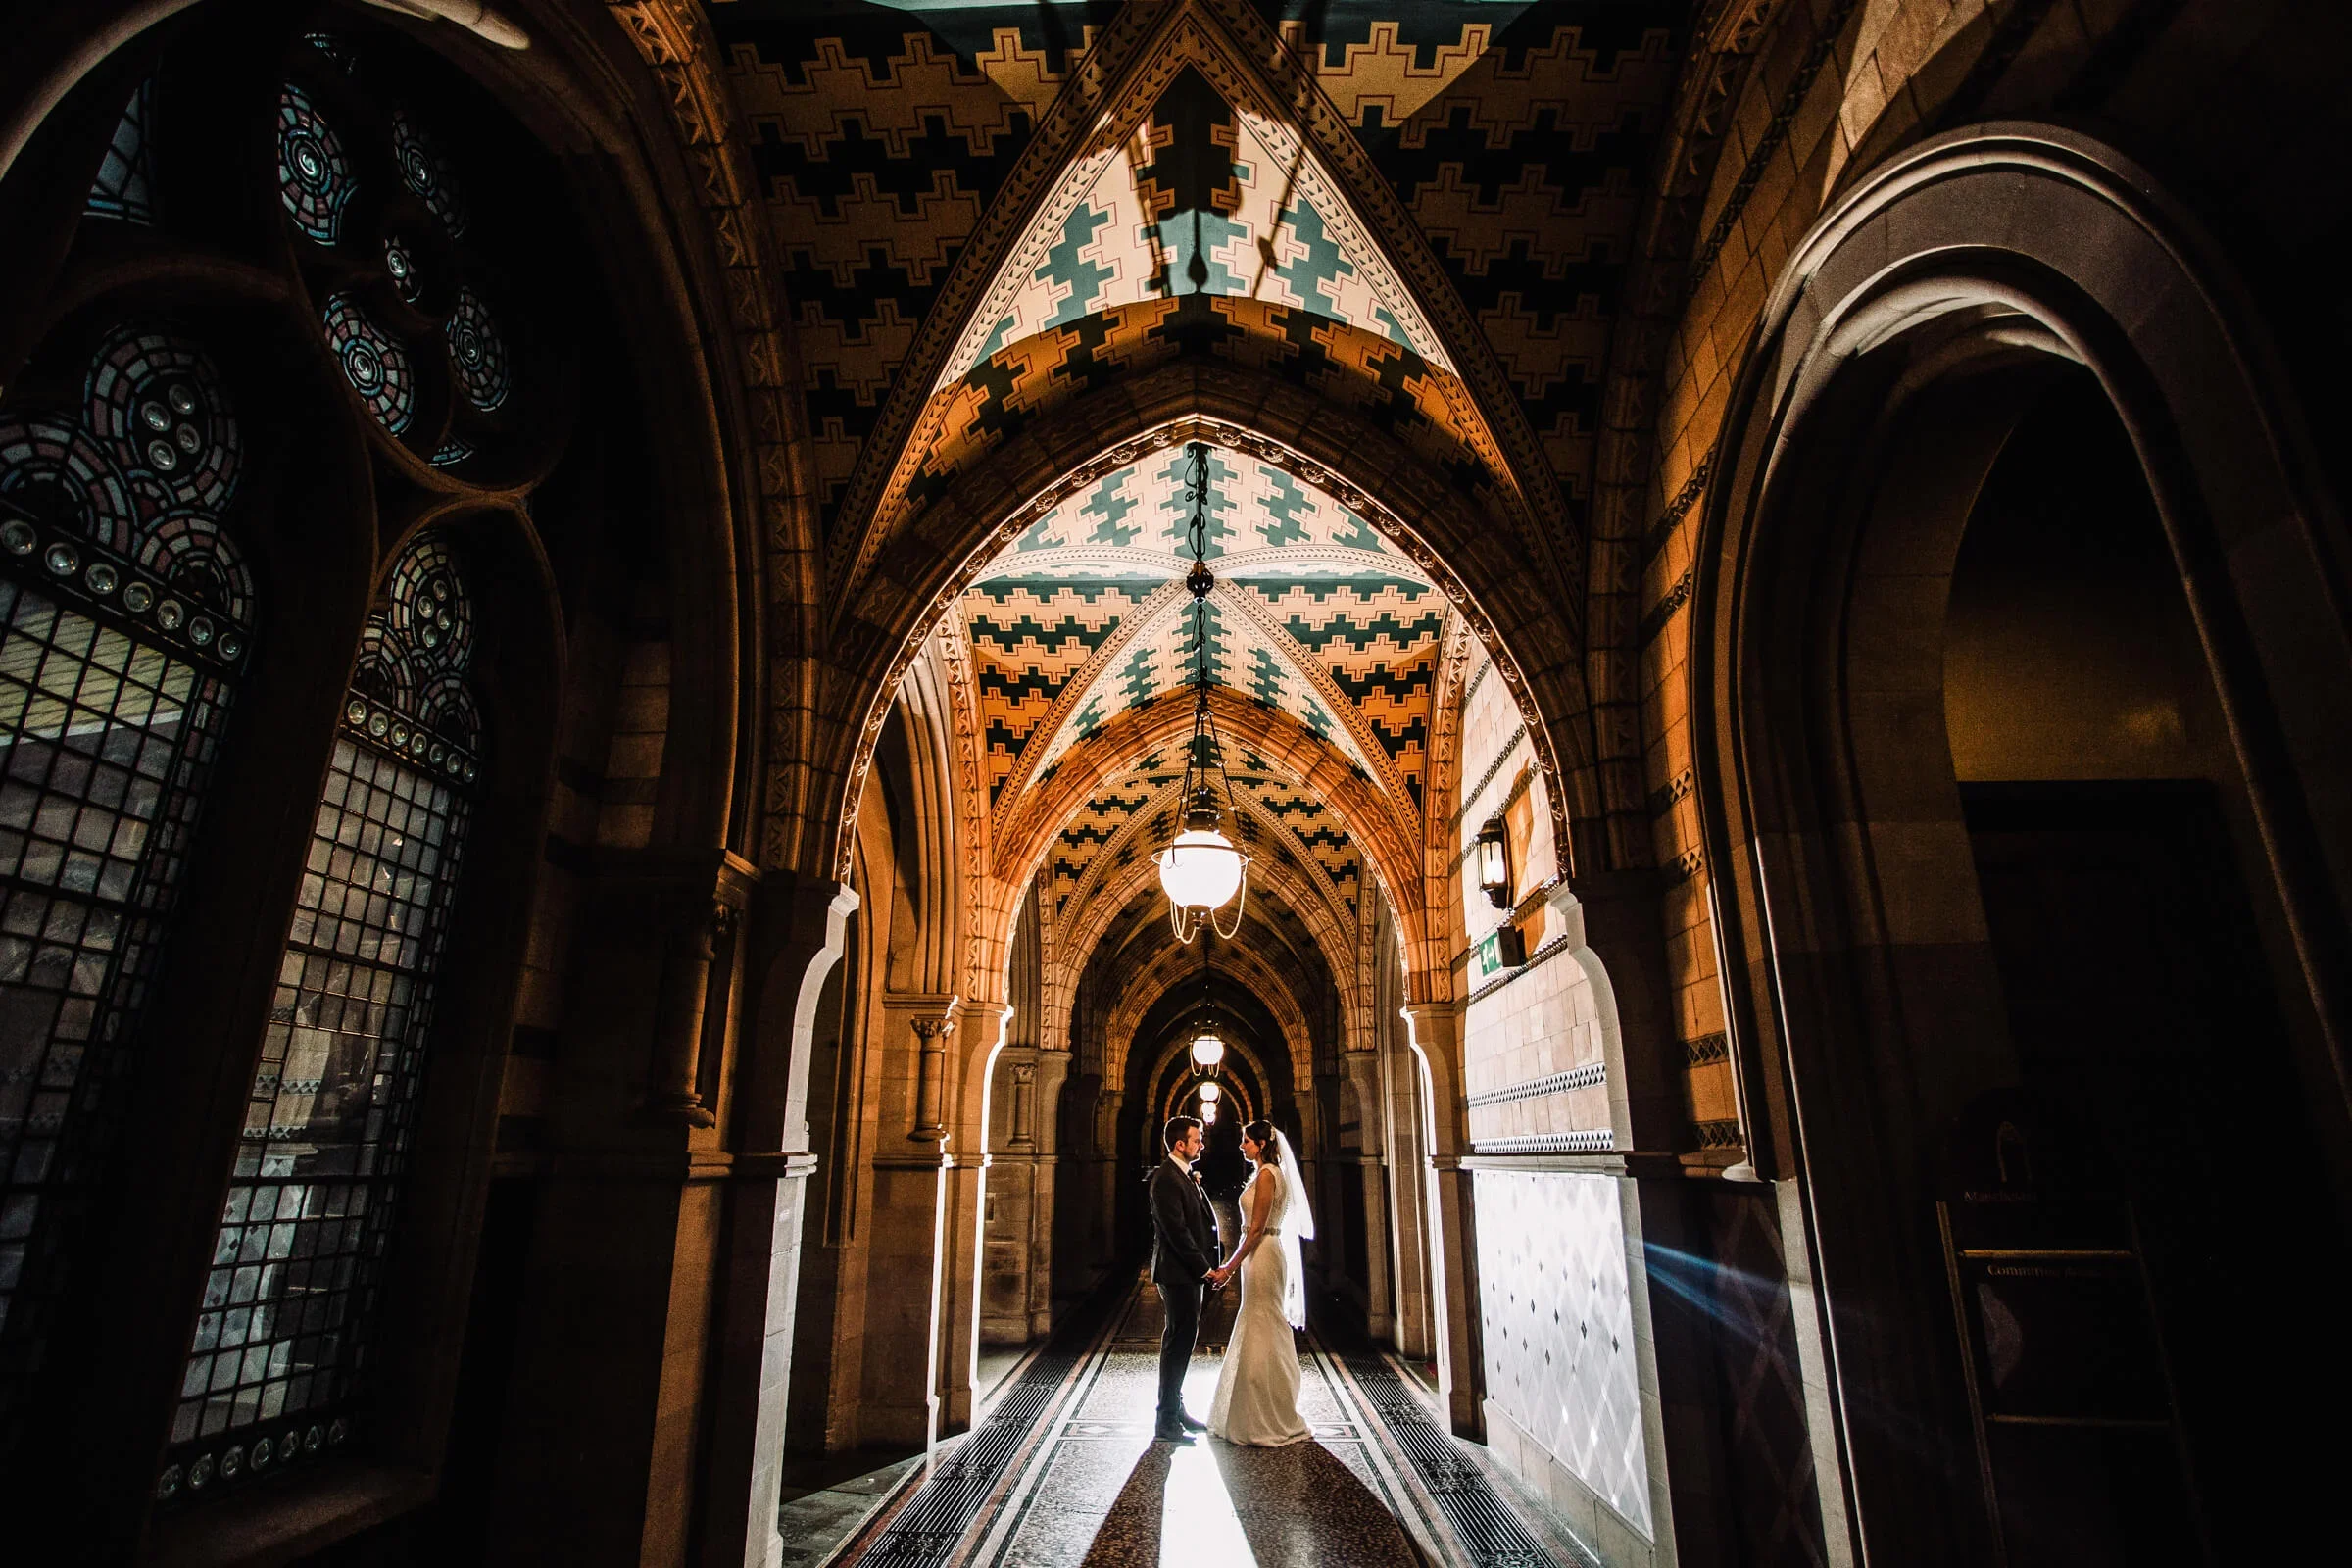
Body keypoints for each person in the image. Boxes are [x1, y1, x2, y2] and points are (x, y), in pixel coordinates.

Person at [1206, 1120, 1315, 1446]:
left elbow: (1256, 1229)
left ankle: (1268, 1411)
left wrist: (1228, 1266)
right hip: (1259, 1254)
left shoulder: (1268, 1175)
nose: (1242, 1146)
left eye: (1247, 1141)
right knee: (1257, 1321)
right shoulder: (1263, 1173)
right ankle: (1252, 1408)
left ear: (1263, 1143)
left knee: (1263, 1322)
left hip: (1264, 1252)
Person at [1147, 1114, 1223, 1443]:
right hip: (1178, 1274)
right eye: (1196, 1139)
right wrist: (1205, 1269)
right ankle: (1166, 1420)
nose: (1201, 1144)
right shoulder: (1167, 1179)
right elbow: (1176, 1233)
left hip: (1185, 1274)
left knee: (1181, 1341)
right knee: (1178, 1343)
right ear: (1180, 1144)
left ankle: (1175, 1409)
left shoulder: (1183, 1176)